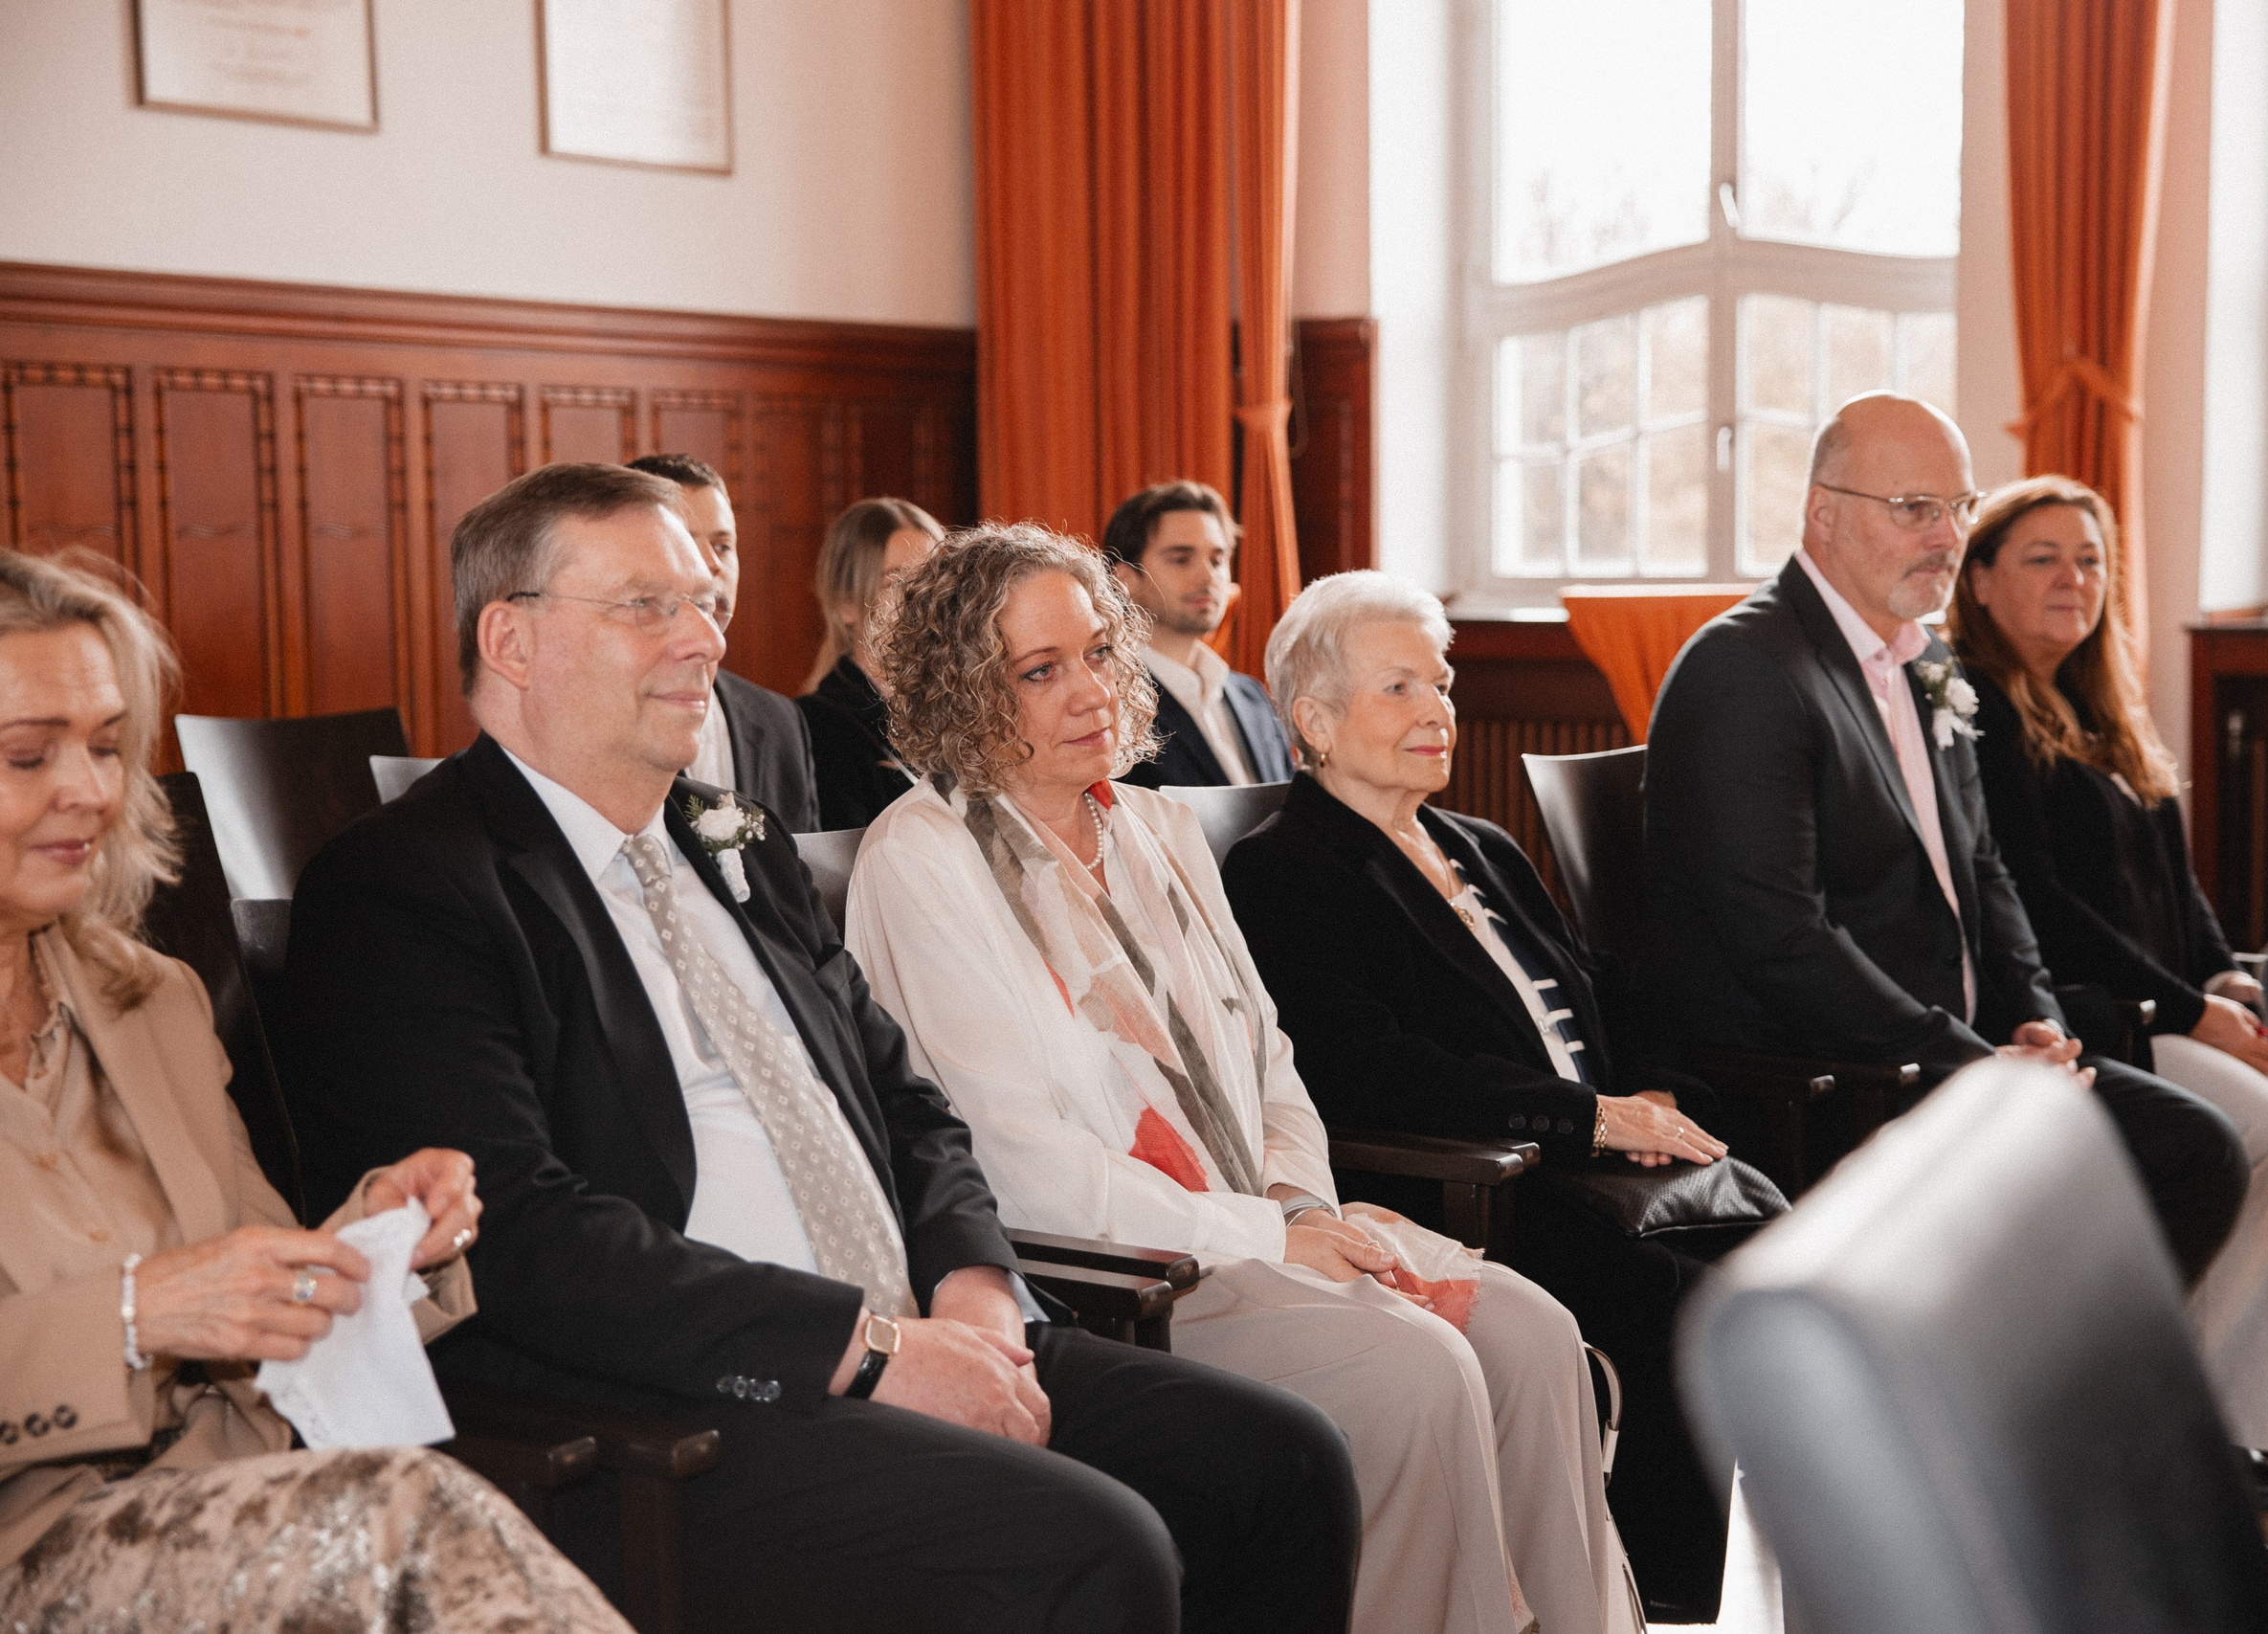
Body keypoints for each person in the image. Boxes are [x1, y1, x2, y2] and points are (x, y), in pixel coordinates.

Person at [286, 464, 1363, 1634]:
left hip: (921, 1321)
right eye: (647, 606)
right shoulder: (406, 884)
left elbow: (908, 1107)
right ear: (512, 639)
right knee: (1092, 1549)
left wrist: (980, 1296)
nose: (702, 639)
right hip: (686, 1404)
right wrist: (864, 1353)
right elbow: (528, 1235)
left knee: (1280, 1461)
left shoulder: (732, 843)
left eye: (706, 602)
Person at [847, 523, 1639, 1634]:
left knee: (1533, 1335)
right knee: (1413, 1371)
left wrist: (1300, 1203)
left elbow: (1270, 1057)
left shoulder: (1159, 827)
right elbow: (1020, 1169)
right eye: (1038, 671)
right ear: (959, 691)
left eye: (1098, 655)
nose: (1087, 692)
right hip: (1122, 1277)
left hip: (1258, 1221)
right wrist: (1264, 1237)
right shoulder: (921, 860)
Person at [0, 550, 615, 1632]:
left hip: (229, 1510)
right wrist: (136, 1315)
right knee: (405, 1513)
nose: (90, 791)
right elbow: (175, 1301)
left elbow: (257, 1285)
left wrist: (374, 1244)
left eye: (106, 746)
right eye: (25, 756)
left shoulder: (153, 1003)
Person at [1220, 569, 1742, 1623]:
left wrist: (1643, 1092)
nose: (1438, 711)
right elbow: (1364, 1067)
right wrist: (1585, 1118)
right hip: (1462, 1184)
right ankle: (1637, 1597)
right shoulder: (1284, 869)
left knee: (1754, 1254)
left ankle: (1684, 1600)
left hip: (1586, 1159)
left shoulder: (1480, 843)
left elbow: (1607, 991)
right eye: (1399, 688)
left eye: (1443, 683)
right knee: (1661, 1291)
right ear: (1313, 722)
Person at [1641, 392, 2247, 1290]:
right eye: (1914, 509)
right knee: (2162, 1160)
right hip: (1831, 1077)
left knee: (2202, 1151)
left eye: (1959, 508)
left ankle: (2042, 1414)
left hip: (1964, 1051)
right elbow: (1781, 942)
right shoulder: (1749, 669)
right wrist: (1970, 1064)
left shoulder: (1927, 660)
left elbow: (1986, 871)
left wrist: (2039, 1021)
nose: (1946, 535)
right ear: (1824, 514)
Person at [1950, 475, 2268, 1507]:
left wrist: (2224, 971)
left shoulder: (2104, 702)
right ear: (1983, 580)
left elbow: (2174, 887)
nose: (2071, 578)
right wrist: (2190, 1011)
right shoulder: (1981, 714)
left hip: (2176, 998)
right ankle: (2212, 1430)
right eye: (2042, 557)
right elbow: (2040, 907)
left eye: (2089, 560)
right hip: (2098, 1014)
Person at [627, 453, 821, 833]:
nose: (711, 564)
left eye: (723, 546)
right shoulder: (607, 711)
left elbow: (803, 876)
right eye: (683, 541)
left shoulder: (780, 720)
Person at [1103, 481, 1297, 790]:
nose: (1208, 576)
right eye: (1181, 559)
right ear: (1125, 579)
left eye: (1217, 560)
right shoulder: (1108, 704)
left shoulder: (1253, 696)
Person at [795, 497, 944, 830]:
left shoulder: (967, 707)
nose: (922, 600)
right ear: (845, 604)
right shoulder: (816, 725)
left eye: (933, 579)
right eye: (897, 583)